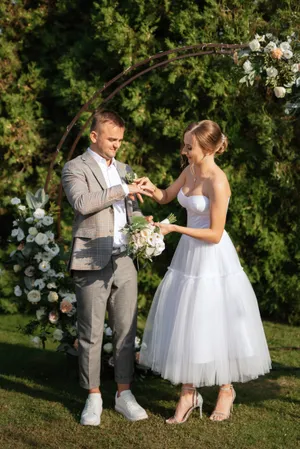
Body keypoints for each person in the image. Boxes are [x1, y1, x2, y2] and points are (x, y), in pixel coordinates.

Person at [137, 120, 271, 424]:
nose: (184, 151)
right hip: (188, 257)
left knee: (214, 320)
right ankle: (188, 392)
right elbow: (167, 196)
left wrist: (174, 228)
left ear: (208, 148)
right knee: (187, 320)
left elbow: (214, 233)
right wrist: (151, 188)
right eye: (185, 145)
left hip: (212, 257)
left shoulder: (217, 181)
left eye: (190, 147)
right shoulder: (190, 170)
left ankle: (226, 389)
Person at [62, 109, 153, 426]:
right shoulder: (75, 168)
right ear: (94, 136)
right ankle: (94, 396)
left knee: (127, 332)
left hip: (124, 261)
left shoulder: (126, 169)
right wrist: (123, 189)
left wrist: (146, 226)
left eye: (120, 140)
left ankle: (124, 394)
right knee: (91, 333)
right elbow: (83, 204)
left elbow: (131, 213)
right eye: (111, 139)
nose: (117, 145)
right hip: (91, 259)